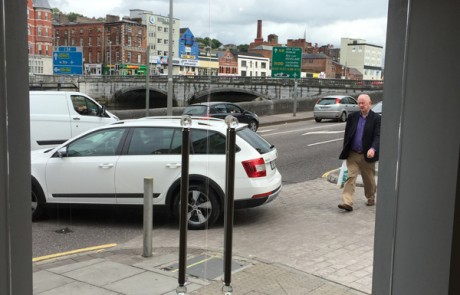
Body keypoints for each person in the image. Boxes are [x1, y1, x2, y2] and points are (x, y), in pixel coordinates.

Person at [338, 94, 381, 212]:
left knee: (369, 179)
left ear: (369, 103)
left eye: (363, 103)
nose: (361, 105)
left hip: (367, 154)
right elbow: (347, 135)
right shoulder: (353, 117)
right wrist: (346, 151)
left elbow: (378, 136)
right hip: (353, 154)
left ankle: (370, 196)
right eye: (359, 103)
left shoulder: (376, 118)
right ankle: (347, 202)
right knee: (350, 177)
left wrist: (373, 149)